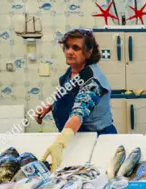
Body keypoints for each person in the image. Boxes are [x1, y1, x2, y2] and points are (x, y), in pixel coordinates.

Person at [36, 29, 117, 171]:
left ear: (88, 52)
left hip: (96, 139)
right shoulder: (73, 71)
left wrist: (60, 143)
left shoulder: (92, 81)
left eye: (76, 48)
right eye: (67, 47)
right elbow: (67, 92)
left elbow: (78, 113)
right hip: (76, 136)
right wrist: (51, 105)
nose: (69, 52)